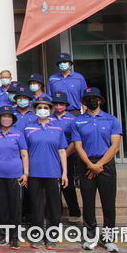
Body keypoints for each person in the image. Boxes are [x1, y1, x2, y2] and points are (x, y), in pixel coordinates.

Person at [72, 87, 122, 253]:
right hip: (86, 164)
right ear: (84, 103)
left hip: (105, 164)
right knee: (88, 203)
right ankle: (90, 237)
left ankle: (108, 239)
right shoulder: (77, 121)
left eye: (94, 98)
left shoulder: (111, 120)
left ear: (100, 100)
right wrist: (90, 165)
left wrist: (99, 164)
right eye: (87, 99)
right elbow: (78, 146)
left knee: (108, 204)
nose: (91, 101)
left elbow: (115, 147)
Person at [24, 99, 68, 250]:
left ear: (50, 110)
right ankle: (36, 236)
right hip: (34, 173)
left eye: (45, 107)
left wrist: (65, 173)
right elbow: (25, 153)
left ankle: (52, 237)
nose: (42, 109)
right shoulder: (28, 128)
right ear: (35, 110)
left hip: (53, 172)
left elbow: (62, 151)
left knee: (54, 206)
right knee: (36, 206)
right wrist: (26, 172)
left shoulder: (58, 128)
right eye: (40, 107)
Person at [0, 105, 29, 249]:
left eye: (9, 116)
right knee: (3, 207)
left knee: (15, 206)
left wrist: (26, 173)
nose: (6, 119)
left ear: (13, 119)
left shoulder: (18, 134)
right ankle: (4, 235)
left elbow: (24, 155)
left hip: (15, 176)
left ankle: (15, 237)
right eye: (4, 116)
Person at [51, 92, 81, 222]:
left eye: (61, 104)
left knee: (67, 184)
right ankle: (54, 212)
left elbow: (75, 140)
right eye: (56, 104)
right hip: (52, 156)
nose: (58, 106)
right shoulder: (49, 118)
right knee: (52, 185)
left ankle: (74, 212)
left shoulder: (72, 119)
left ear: (66, 105)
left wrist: (65, 155)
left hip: (68, 155)